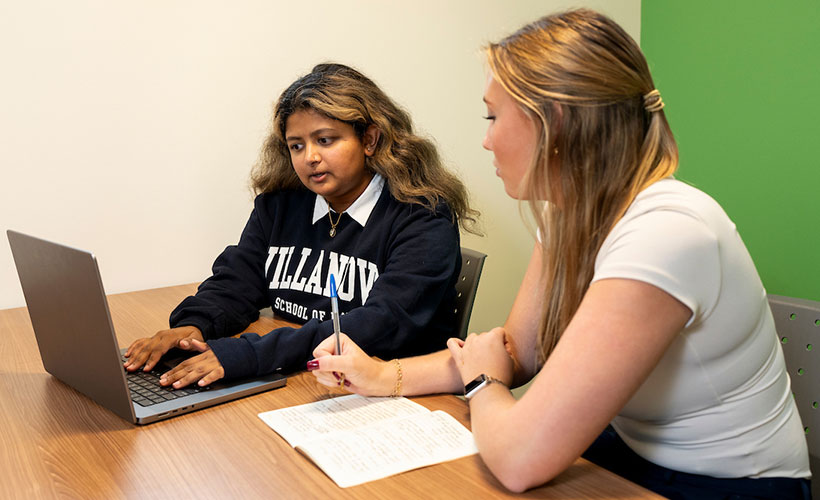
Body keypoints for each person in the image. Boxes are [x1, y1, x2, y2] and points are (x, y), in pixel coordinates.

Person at [308, 10, 811, 499]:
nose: (486, 140)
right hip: (630, 453)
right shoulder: (567, 212)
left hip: (728, 484)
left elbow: (519, 457)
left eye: (493, 117)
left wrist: (482, 381)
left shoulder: (667, 231)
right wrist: (380, 376)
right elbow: (518, 353)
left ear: (556, 123)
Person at [123, 63, 479, 390]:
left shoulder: (424, 217)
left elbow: (379, 325)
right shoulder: (280, 205)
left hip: (391, 394)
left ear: (369, 140)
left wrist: (249, 355)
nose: (310, 157)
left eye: (325, 140)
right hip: (303, 378)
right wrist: (192, 328)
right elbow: (238, 281)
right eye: (296, 145)